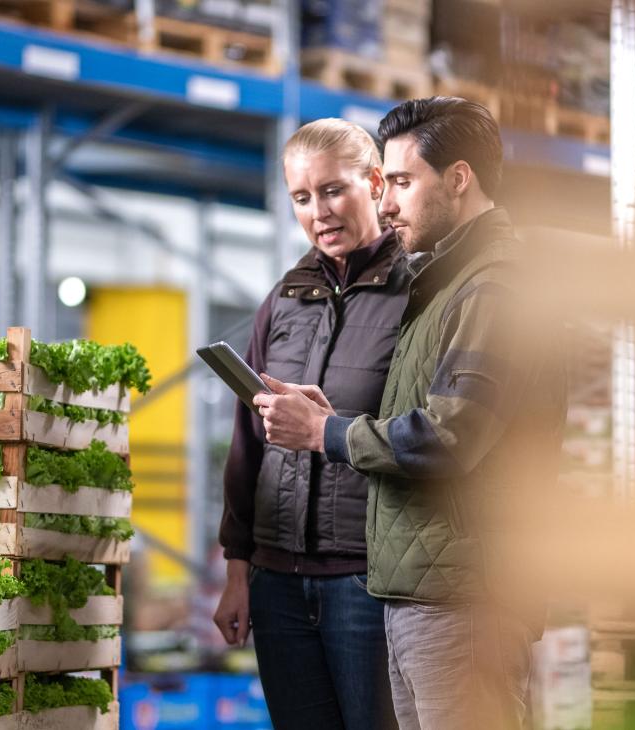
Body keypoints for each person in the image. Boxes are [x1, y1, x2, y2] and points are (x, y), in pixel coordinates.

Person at [253, 97, 568, 730]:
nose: (387, 201)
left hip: (467, 596)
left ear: (458, 179)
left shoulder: (496, 287)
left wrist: (325, 433)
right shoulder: (448, 284)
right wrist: (332, 419)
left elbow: (449, 438)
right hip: (423, 590)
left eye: (400, 181)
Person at [213, 118, 408, 730]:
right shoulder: (284, 298)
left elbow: (419, 434)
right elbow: (249, 443)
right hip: (277, 583)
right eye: (302, 197)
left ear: (374, 183)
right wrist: (237, 572)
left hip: (366, 580)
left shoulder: (417, 292)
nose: (319, 211)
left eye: (333, 191)